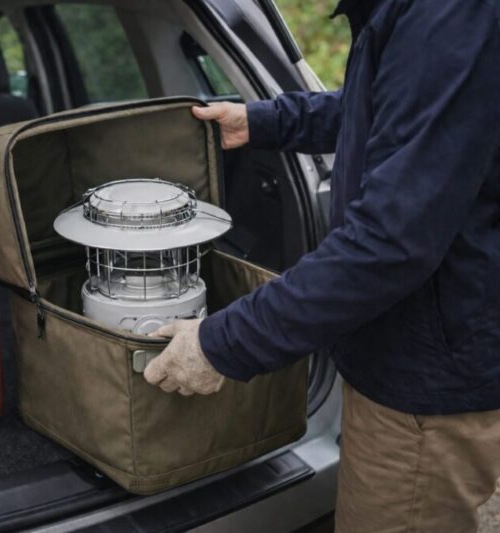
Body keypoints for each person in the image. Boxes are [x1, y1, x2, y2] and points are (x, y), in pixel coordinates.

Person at [143, 0, 500, 531]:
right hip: (406, 367)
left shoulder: (446, 12)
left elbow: (389, 243)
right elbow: (384, 108)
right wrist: (264, 121)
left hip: (424, 394)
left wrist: (222, 343)